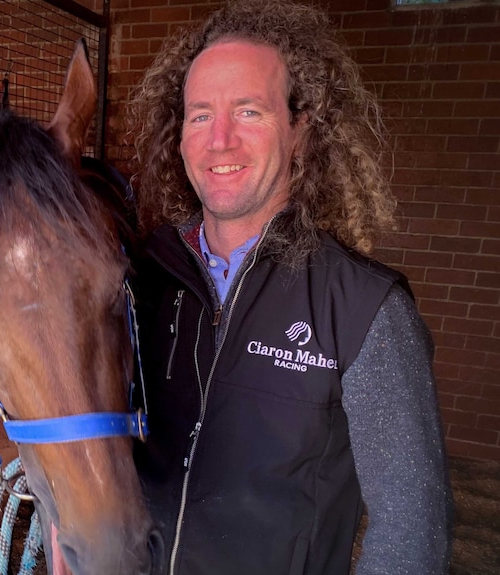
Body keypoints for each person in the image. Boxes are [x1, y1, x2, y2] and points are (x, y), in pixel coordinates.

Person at [128, 1, 453, 574]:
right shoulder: (141, 279)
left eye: (249, 111)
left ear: (302, 130)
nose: (219, 140)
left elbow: (411, 533)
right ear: (176, 136)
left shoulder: (363, 309)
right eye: (200, 115)